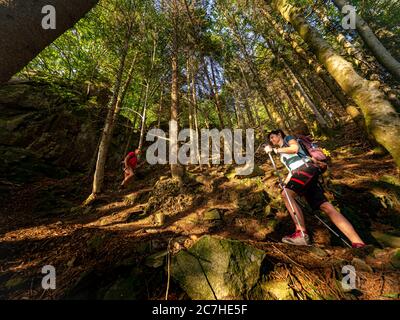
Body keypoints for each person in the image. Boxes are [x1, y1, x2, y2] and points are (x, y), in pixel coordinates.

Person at [265, 129, 365, 248]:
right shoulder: (282, 154)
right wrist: (285, 183)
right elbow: (292, 170)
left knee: (286, 194)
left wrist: (275, 150)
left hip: (305, 169)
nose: (272, 140)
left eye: (272, 137)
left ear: (279, 135)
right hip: (303, 173)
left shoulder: (288, 139)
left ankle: (301, 234)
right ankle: (358, 242)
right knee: (326, 206)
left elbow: (295, 149)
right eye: (270, 139)